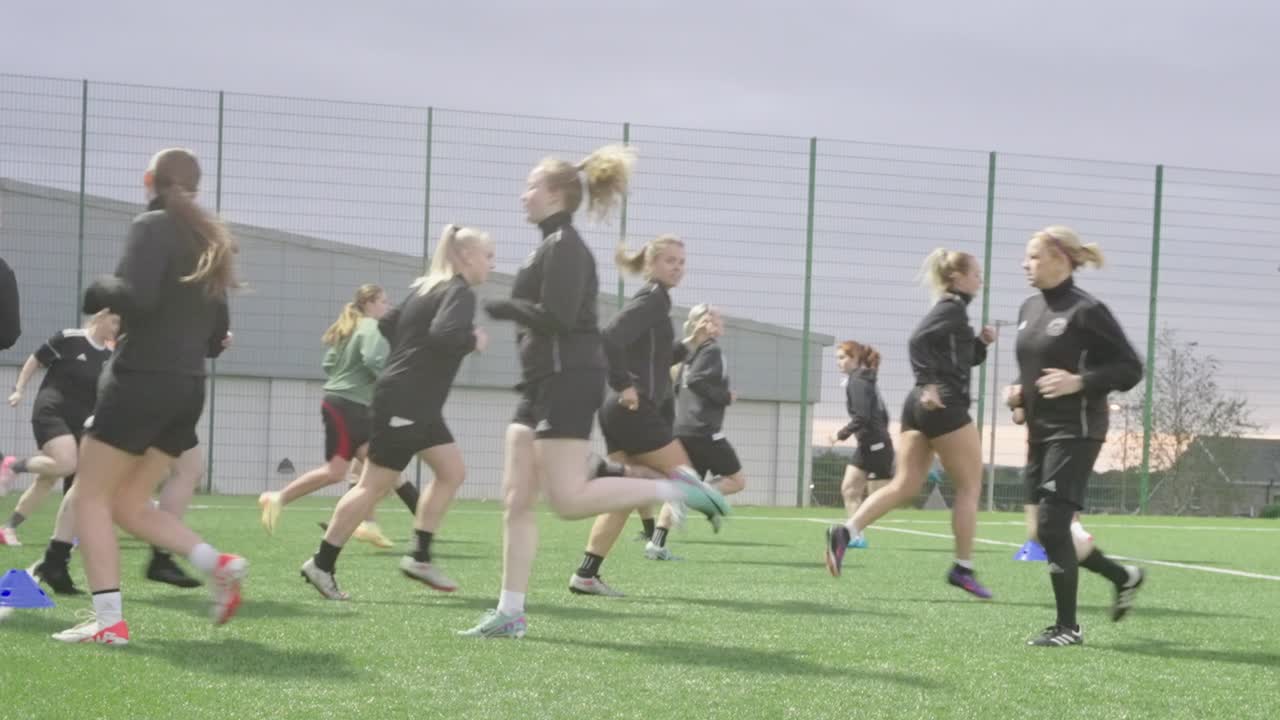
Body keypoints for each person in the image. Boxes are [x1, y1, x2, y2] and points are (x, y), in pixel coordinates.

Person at [460, 145, 729, 638]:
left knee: (566, 499)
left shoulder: (565, 245)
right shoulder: (546, 245)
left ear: (557, 194)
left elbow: (561, 319)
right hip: (540, 382)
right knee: (516, 497)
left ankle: (675, 487)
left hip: (569, 379)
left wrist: (505, 310)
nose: (524, 194)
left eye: (532, 185)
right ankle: (510, 612)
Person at [52, 147, 246, 645]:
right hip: (187, 388)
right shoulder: (208, 239)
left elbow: (134, 296)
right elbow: (216, 333)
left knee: (89, 495)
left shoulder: (151, 226)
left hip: (141, 380)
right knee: (130, 504)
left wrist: (99, 288)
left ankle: (109, 622)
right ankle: (217, 564)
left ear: (148, 180)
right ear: (197, 188)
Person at [301, 225, 492, 599]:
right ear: (466, 256)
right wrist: (473, 340)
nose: (492, 263)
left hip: (417, 402)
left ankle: (419, 556)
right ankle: (321, 564)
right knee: (374, 484)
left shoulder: (425, 288)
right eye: (489, 255)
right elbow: (443, 334)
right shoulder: (458, 292)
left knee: (452, 471)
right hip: (408, 400)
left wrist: (410, 353)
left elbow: (389, 324)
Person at [825, 248, 995, 600]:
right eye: (976, 272)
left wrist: (980, 343)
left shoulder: (955, 313)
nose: (981, 278)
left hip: (919, 404)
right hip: (941, 402)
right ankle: (962, 569)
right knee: (969, 488)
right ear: (956, 278)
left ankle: (846, 530)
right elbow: (917, 340)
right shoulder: (950, 309)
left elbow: (961, 360)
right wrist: (930, 383)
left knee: (905, 484)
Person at [1007, 225, 1145, 647]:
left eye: (1033, 256)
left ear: (1061, 259)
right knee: (1040, 531)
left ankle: (1068, 628)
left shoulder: (1087, 311)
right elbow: (1033, 368)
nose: (1024, 264)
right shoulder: (1029, 307)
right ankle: (1124, 577)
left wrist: (1079, 382)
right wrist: (1018, 394)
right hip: (1040, 432)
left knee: (1052, 525)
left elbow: (1130, 369)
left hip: (1077, 431)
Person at [569, 234, 705, 597]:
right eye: (669, 261)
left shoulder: (659, 303)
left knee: (625, 497)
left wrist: (692, 342)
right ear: (651, 265)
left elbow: (659, 360)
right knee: (687, 477)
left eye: (681, 261)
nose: (677, 267)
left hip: (620, 408)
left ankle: (586, 574)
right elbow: (609, 337)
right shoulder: (652, 300)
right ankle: (600, 472)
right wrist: (623, 383)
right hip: (631, 408)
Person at [258, 284, 419, 547]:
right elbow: (373, 361)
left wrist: (348, 379)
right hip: (349, 406)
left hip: (346, 404)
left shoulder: (350, 329)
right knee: (337, 472)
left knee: (377, 468)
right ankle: (278, 498)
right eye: (384, 302)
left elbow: (329, 363)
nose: (388, 307)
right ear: (368, 303)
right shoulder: (371, 327)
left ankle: (367, 525)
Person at [1, 311, 119, 546]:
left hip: (82, 423)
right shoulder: (69, 338)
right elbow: (35, 359)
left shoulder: (110, 356)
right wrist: (19, 388)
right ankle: (12, 465)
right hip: (51, 410)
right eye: (115, 321)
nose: (117, 327)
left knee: (51, 480)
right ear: (102, 317)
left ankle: (10, 528)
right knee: (66, 463)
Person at [670, 304, 748, 532]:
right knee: (737, 481)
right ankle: (694, 496)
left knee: (687, 483)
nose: (722, 321)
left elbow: (677, 387)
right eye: (717, 318)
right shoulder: (711, 350)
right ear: (706, 324)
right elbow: (695, 381)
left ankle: (656, 543)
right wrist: (725, 396)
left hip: (683, 427)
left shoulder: (688, 353)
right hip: (703, 429)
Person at [827, 339, 893, 549]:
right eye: (837, 358)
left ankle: (913, 474)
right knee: (849, 490)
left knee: (882, 496)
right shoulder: (862, 379)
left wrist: (841, 434)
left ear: (855, 359)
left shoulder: (858, 381)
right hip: (868, 445)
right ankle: (856, 536)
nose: (839, 362)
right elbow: (882, 415)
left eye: (842, 357)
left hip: (875, 446)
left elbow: (862, 417)